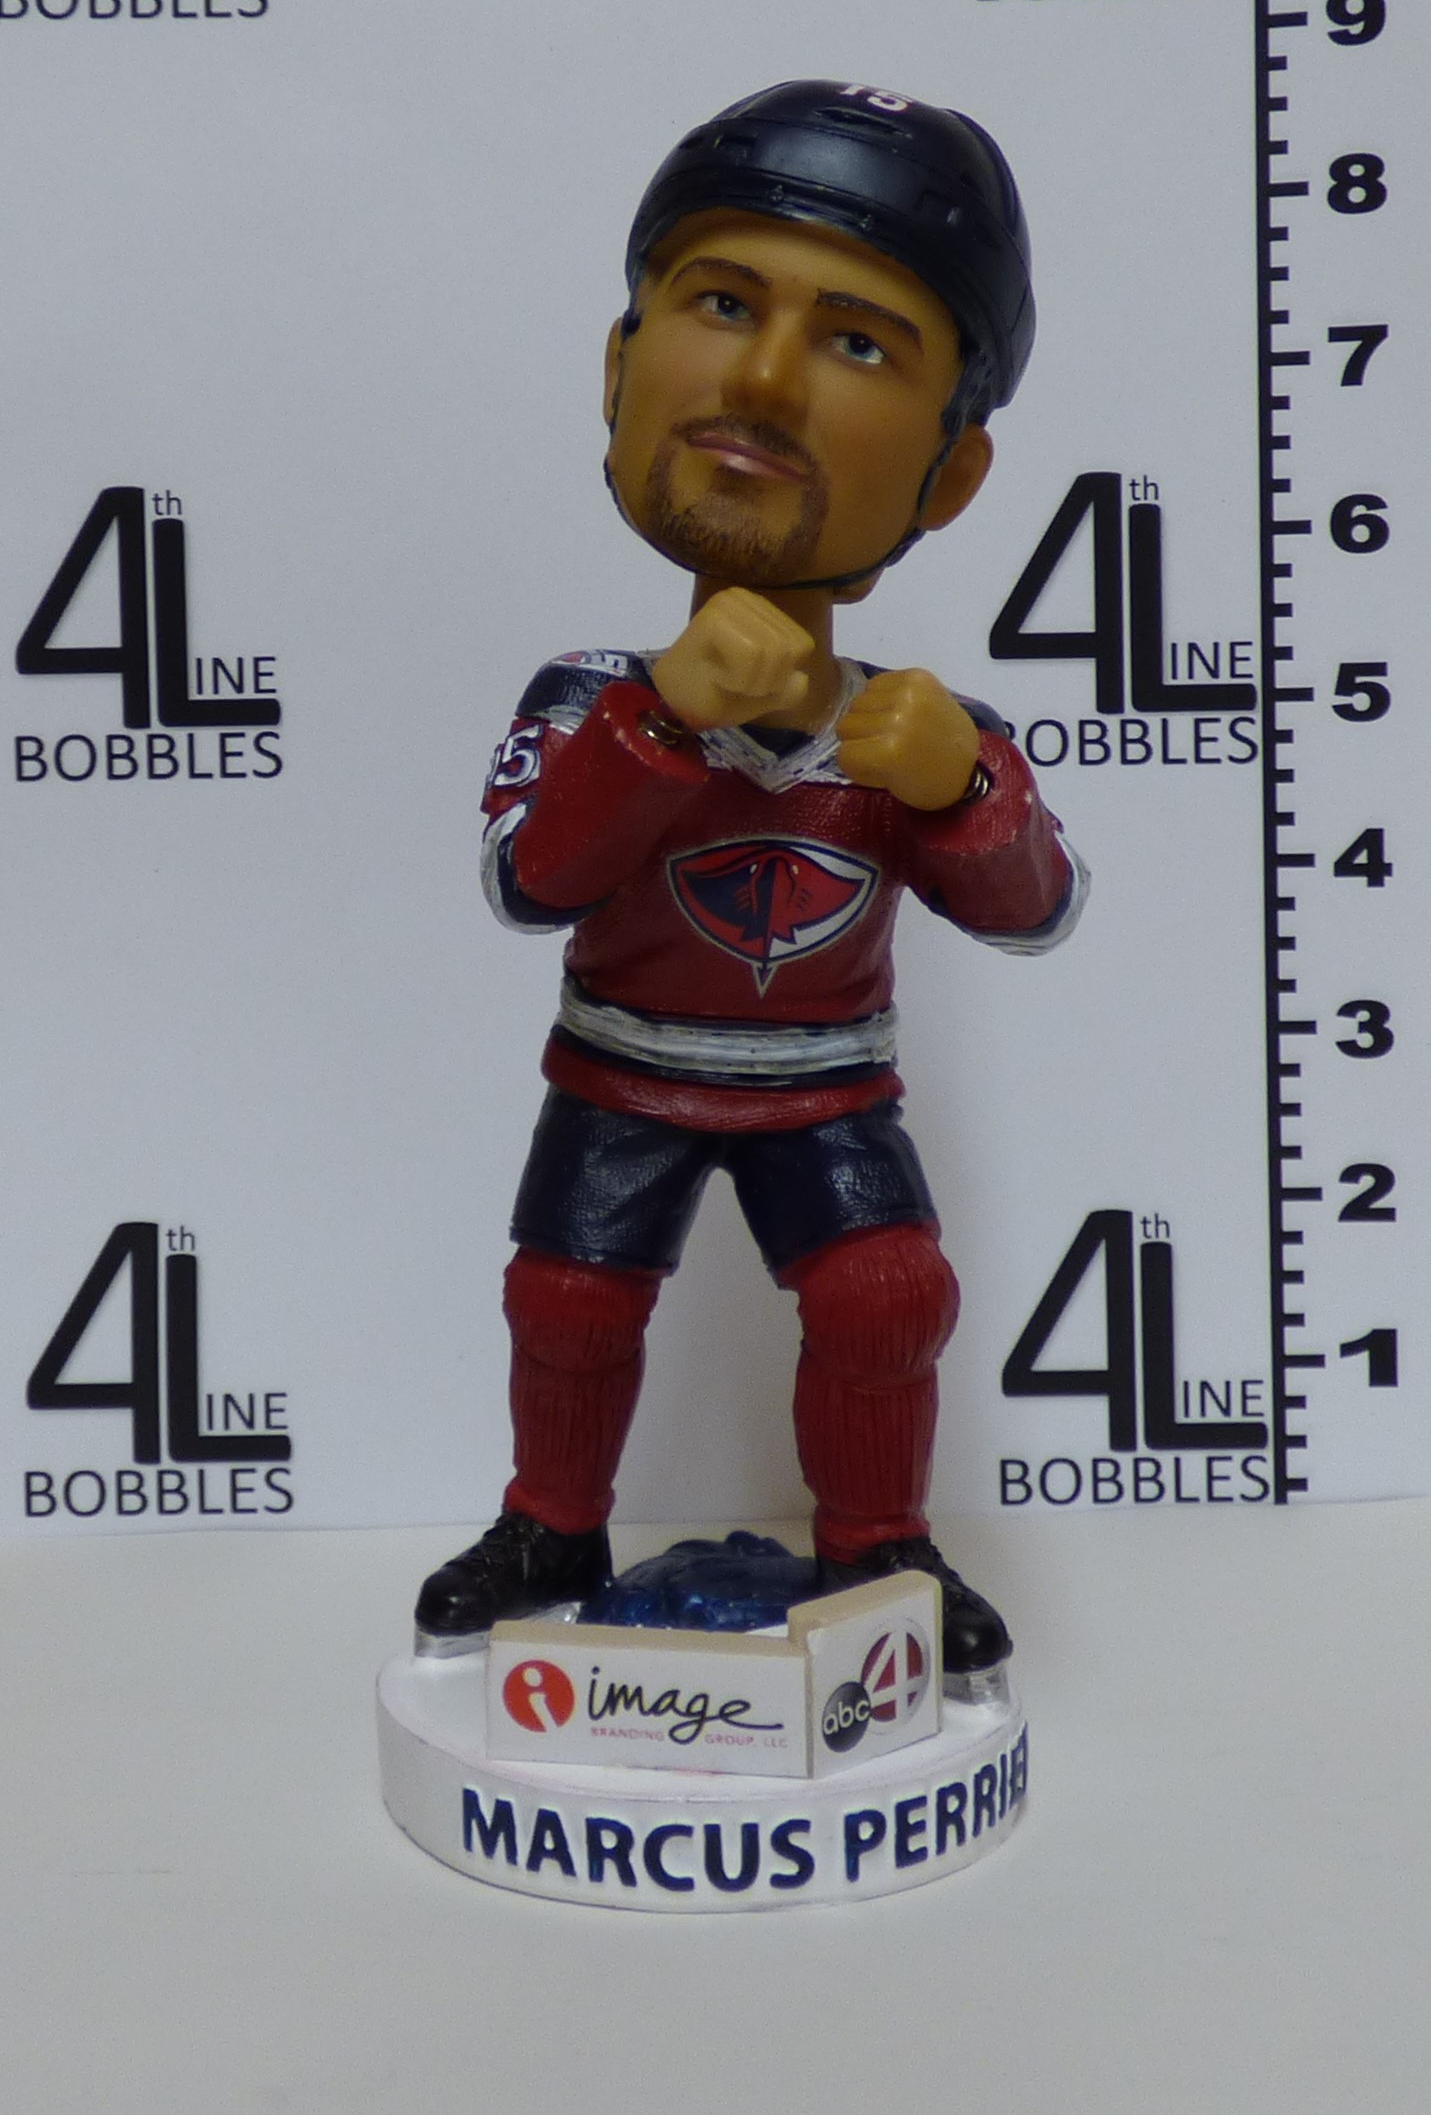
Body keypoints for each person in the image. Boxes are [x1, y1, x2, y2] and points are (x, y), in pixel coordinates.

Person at [416, 81, 1085, 1670]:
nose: (767, 381)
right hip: (619, 1076)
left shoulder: (917, 731)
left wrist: (963, 787)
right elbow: (530, 881)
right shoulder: (592, 697)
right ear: (620, 367)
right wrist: (660, 722)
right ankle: (552, 1521)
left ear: (953, 472)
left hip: (828, 1094)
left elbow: (1037, 907)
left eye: (858, 342)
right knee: (569, 1301)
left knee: (885, 1296)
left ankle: (879, 1548)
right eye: (722, 304)